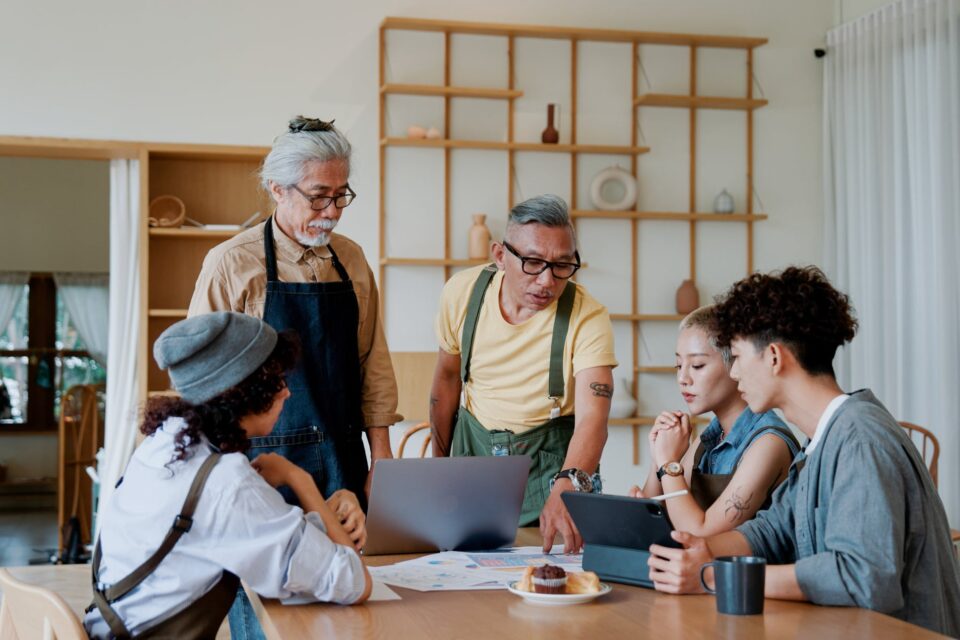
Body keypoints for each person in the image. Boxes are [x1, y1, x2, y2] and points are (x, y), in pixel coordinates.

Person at [646, 266, 960, 637]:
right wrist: (699, 551)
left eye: (739, 356)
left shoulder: (859, 438)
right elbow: (772, 530)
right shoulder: (821, 441)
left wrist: (717, 576)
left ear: (774, 358)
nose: (734, 374)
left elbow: (863, 577)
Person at [188, 116, 398, 638]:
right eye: (318, 196)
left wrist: (384, 460)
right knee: (269, 616)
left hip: (345, 460)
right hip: (264, 468)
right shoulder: (230, 264)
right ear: (277, 189)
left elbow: (372, 361)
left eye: (341, 196)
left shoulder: (350, 259)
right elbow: (200, 385)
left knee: (351, 609)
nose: (331, 212)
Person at [84, 312, 371, 639]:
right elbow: (354, 582)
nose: (287, 394)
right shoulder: (226, 482)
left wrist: (322, 511)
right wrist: (299, 480)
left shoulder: (165, 442)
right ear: (248, 391)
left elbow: (255, 529)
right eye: (278, 381)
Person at [430, 194, 617, 554]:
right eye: (532, 262)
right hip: (474, 461)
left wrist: (567, 487)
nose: (547, 280)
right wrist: (439, 472)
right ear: (500, 255)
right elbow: (446, 382)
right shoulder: (462, 294)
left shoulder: (588, 316)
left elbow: (594, 419)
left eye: (563, 265)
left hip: (554, 469)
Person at [630, 305, 799, 536]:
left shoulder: (768, 444)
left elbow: (703, 535)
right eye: (679, 365)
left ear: (737, 363)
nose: (682, 378)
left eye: (697, 365)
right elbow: (648, 522)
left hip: (753, 572)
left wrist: (668, 463)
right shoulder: (708, 439)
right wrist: (658, 458)